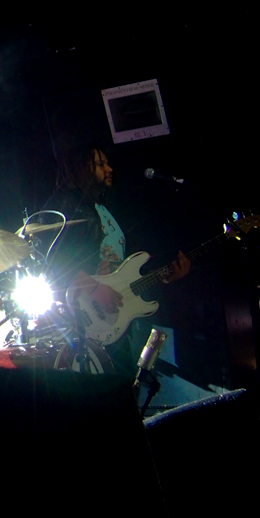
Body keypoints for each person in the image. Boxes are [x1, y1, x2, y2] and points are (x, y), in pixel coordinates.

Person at [38, 145, 190, 374]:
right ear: (81, 168)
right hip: (81, 318)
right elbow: (51, 259)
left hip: (114, 318)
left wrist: (167, 276)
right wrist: (94, 286)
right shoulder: (64, 204)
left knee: (122, 383)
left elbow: (125, 270)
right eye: (100, 164)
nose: (109, 169)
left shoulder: (102, 207)